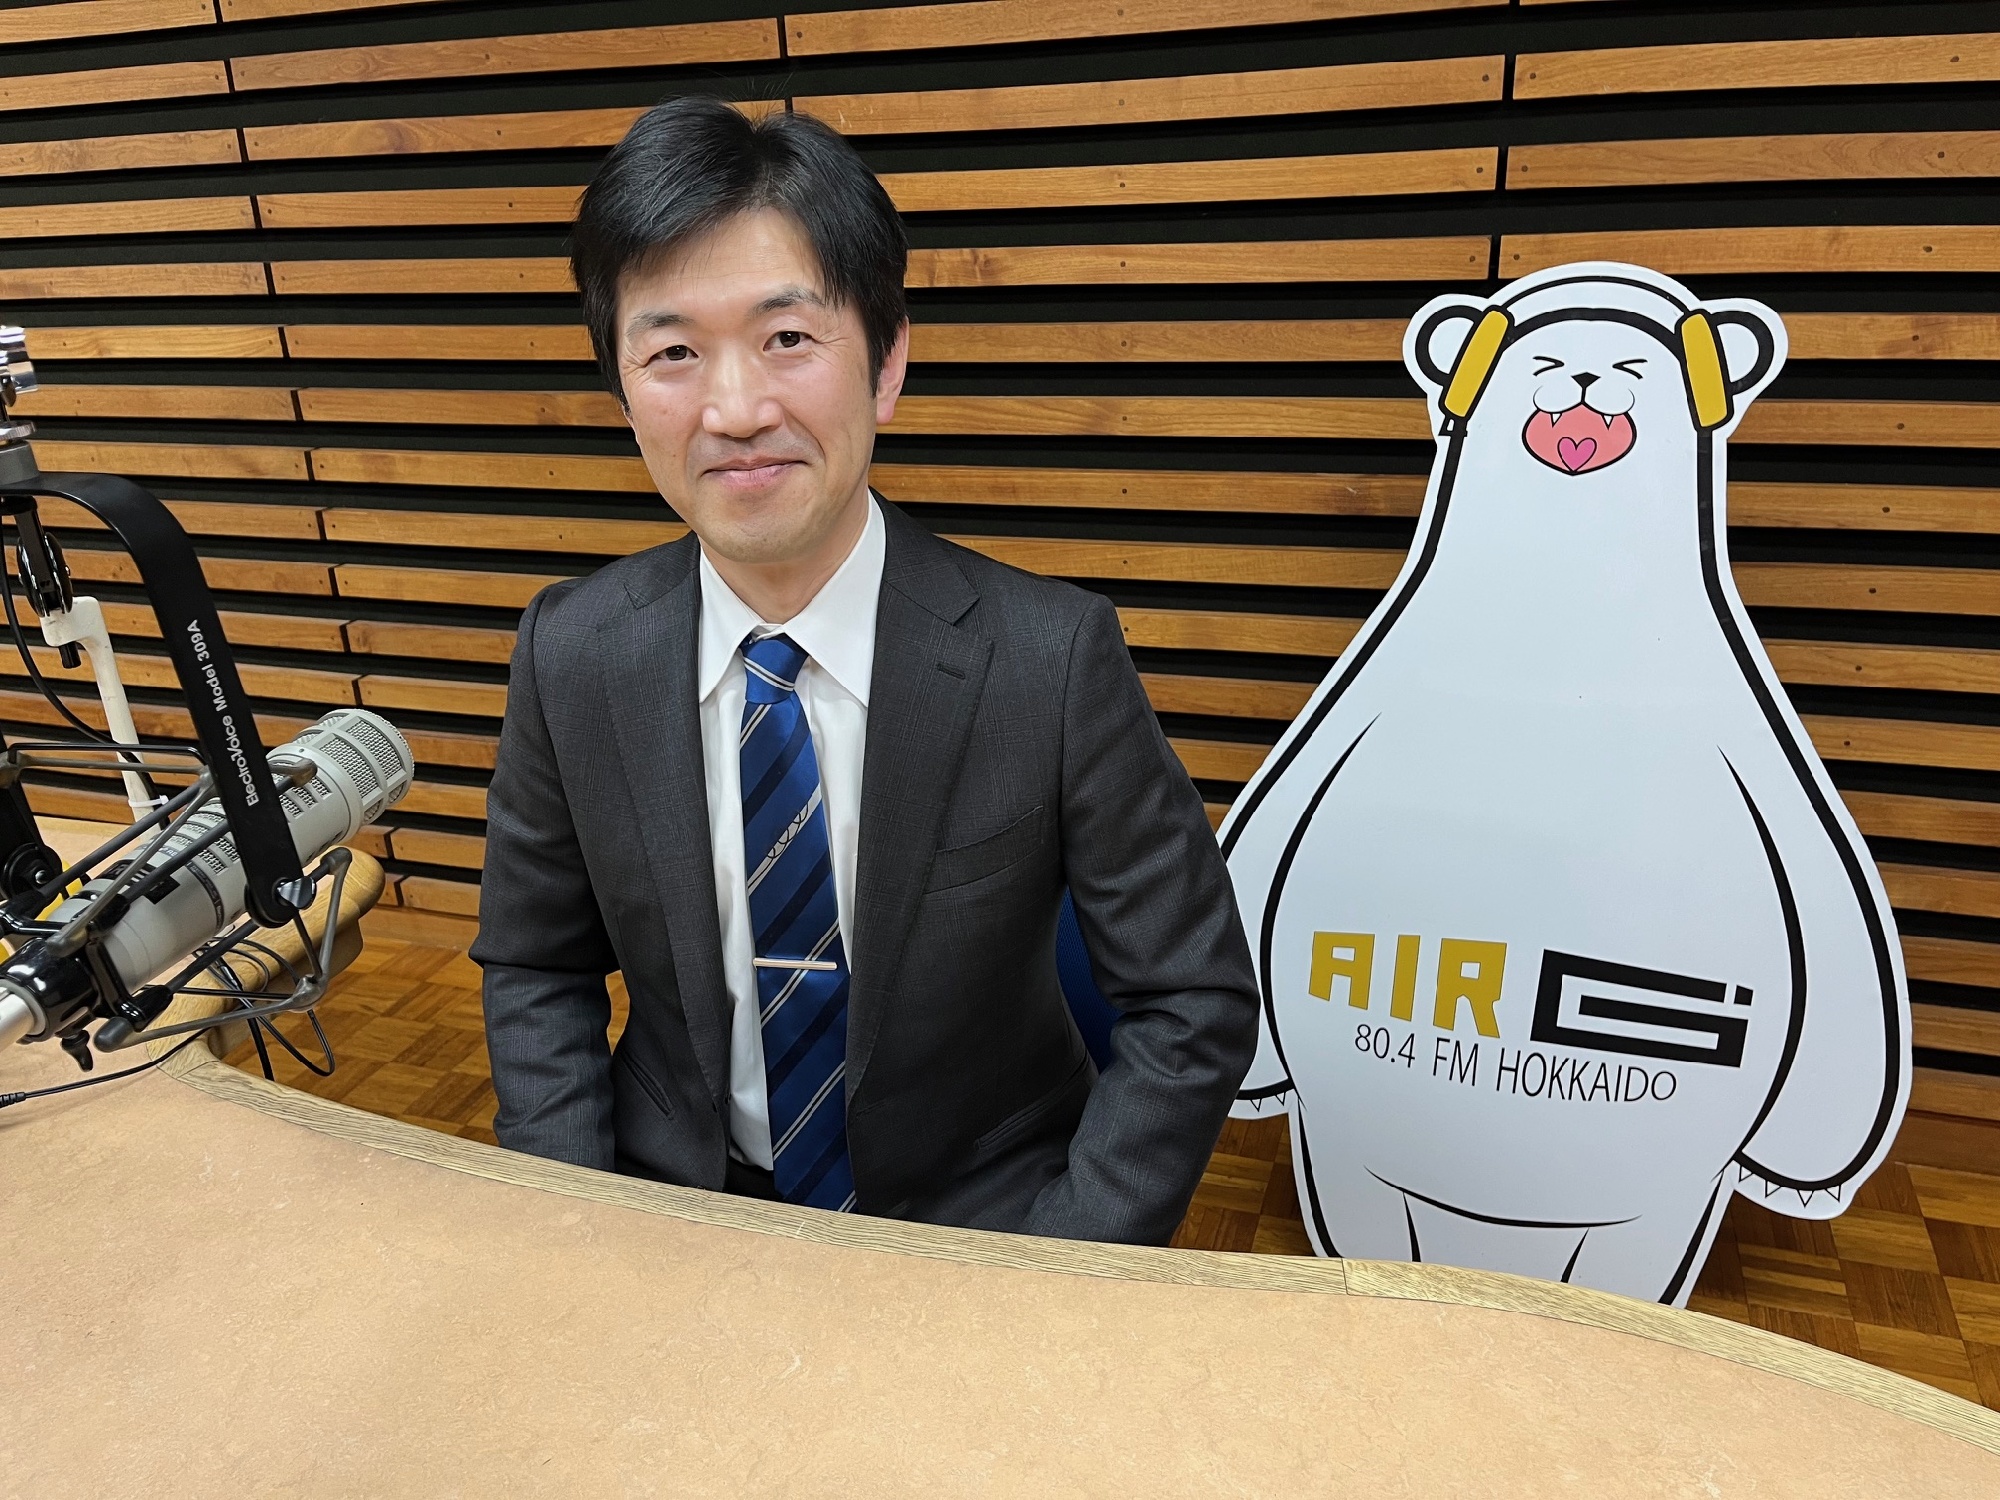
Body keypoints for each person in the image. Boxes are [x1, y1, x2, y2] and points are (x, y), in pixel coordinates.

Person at [474, 97, 1258, 1244]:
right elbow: (534, 966)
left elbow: (1189, 998)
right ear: (622, 390)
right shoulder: (571, 651)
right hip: (671, 1212)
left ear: (886, 363)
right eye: (673, 352)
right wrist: (578, 1226)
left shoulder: (1048, 658)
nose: (734, 410)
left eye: (787, 338)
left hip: (978, 1229)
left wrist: (1059, 1268)